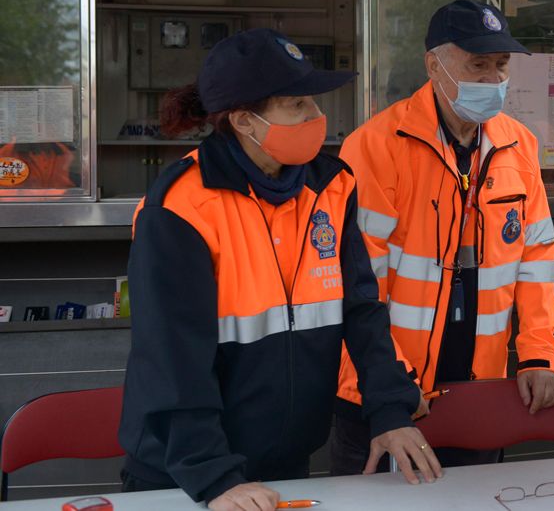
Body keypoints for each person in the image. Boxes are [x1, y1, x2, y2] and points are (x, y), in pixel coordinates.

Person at [119, 28, 442, 511]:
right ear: (245, 121)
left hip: (287, 460)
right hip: (187, 473)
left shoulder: (332, 187)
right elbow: (172, 355)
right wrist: (213, 478)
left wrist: (390, 409)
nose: (317, 117)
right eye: (297, 105)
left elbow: (361, 310)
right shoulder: (181, 206)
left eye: (312, 102)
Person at [330, 0, 554, 474]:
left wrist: (540, 355)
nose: (493, 80)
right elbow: (357, 282)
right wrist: (393, 383)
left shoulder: (518, 143)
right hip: (387, 390)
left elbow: (535, 258)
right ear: (434, 65)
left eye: (501, 66)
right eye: (477, 65)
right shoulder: (376, 145)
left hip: (479, 382)